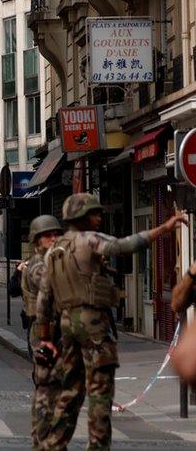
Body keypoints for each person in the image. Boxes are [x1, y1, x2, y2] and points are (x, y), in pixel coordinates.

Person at [35, 193, 187, 450]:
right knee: (99, 393)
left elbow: (44, 301)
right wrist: (162, 228)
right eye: (94, 213)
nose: (99, 218)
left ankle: (53, 445)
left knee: (69, 392)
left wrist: (46, 338)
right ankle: (98, 446)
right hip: (94, 325)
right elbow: (121, 246)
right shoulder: (90, 240)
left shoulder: (54, 251)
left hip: (66, 325)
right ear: (82, 217)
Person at [17, 215, 84, 449]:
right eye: (47, 235)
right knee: (50, 389)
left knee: (56, 389)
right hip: (44, 333)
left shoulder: (50, 261)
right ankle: (46, 441)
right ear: (36, 240)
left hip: (56, 332)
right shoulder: (38, 265)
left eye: (56, 234)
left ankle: (47, 441)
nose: (53, 238)